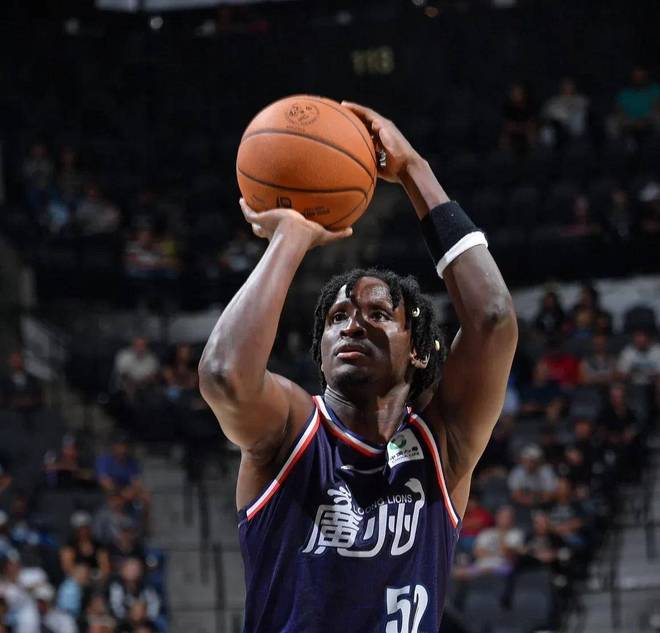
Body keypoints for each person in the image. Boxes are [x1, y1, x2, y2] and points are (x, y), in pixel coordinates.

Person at [199, 102, 518, 631]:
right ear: (321, 352)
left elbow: (493, 318)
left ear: (418, 350)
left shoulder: (443, 443)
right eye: (337, 317)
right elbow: (222, 375)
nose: (353, 325)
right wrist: (290, 237)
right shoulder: (290, 429)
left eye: (378, 314)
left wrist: (414, 169)